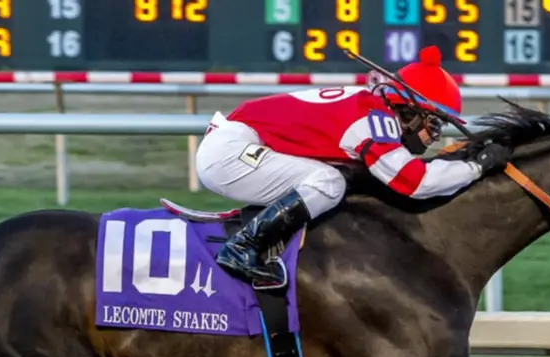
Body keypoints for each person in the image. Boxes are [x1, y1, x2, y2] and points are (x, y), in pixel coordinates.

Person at [195, 46, 511, 289]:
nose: (435, 135)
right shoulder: (373, 123)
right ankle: (242, 248)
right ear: (409, 112)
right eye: (434, 123)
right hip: (230, 153)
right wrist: (477, 167)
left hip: (240, 145)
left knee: (335, 181)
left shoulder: (374, 108)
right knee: (329, 183)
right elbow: (415, 183)